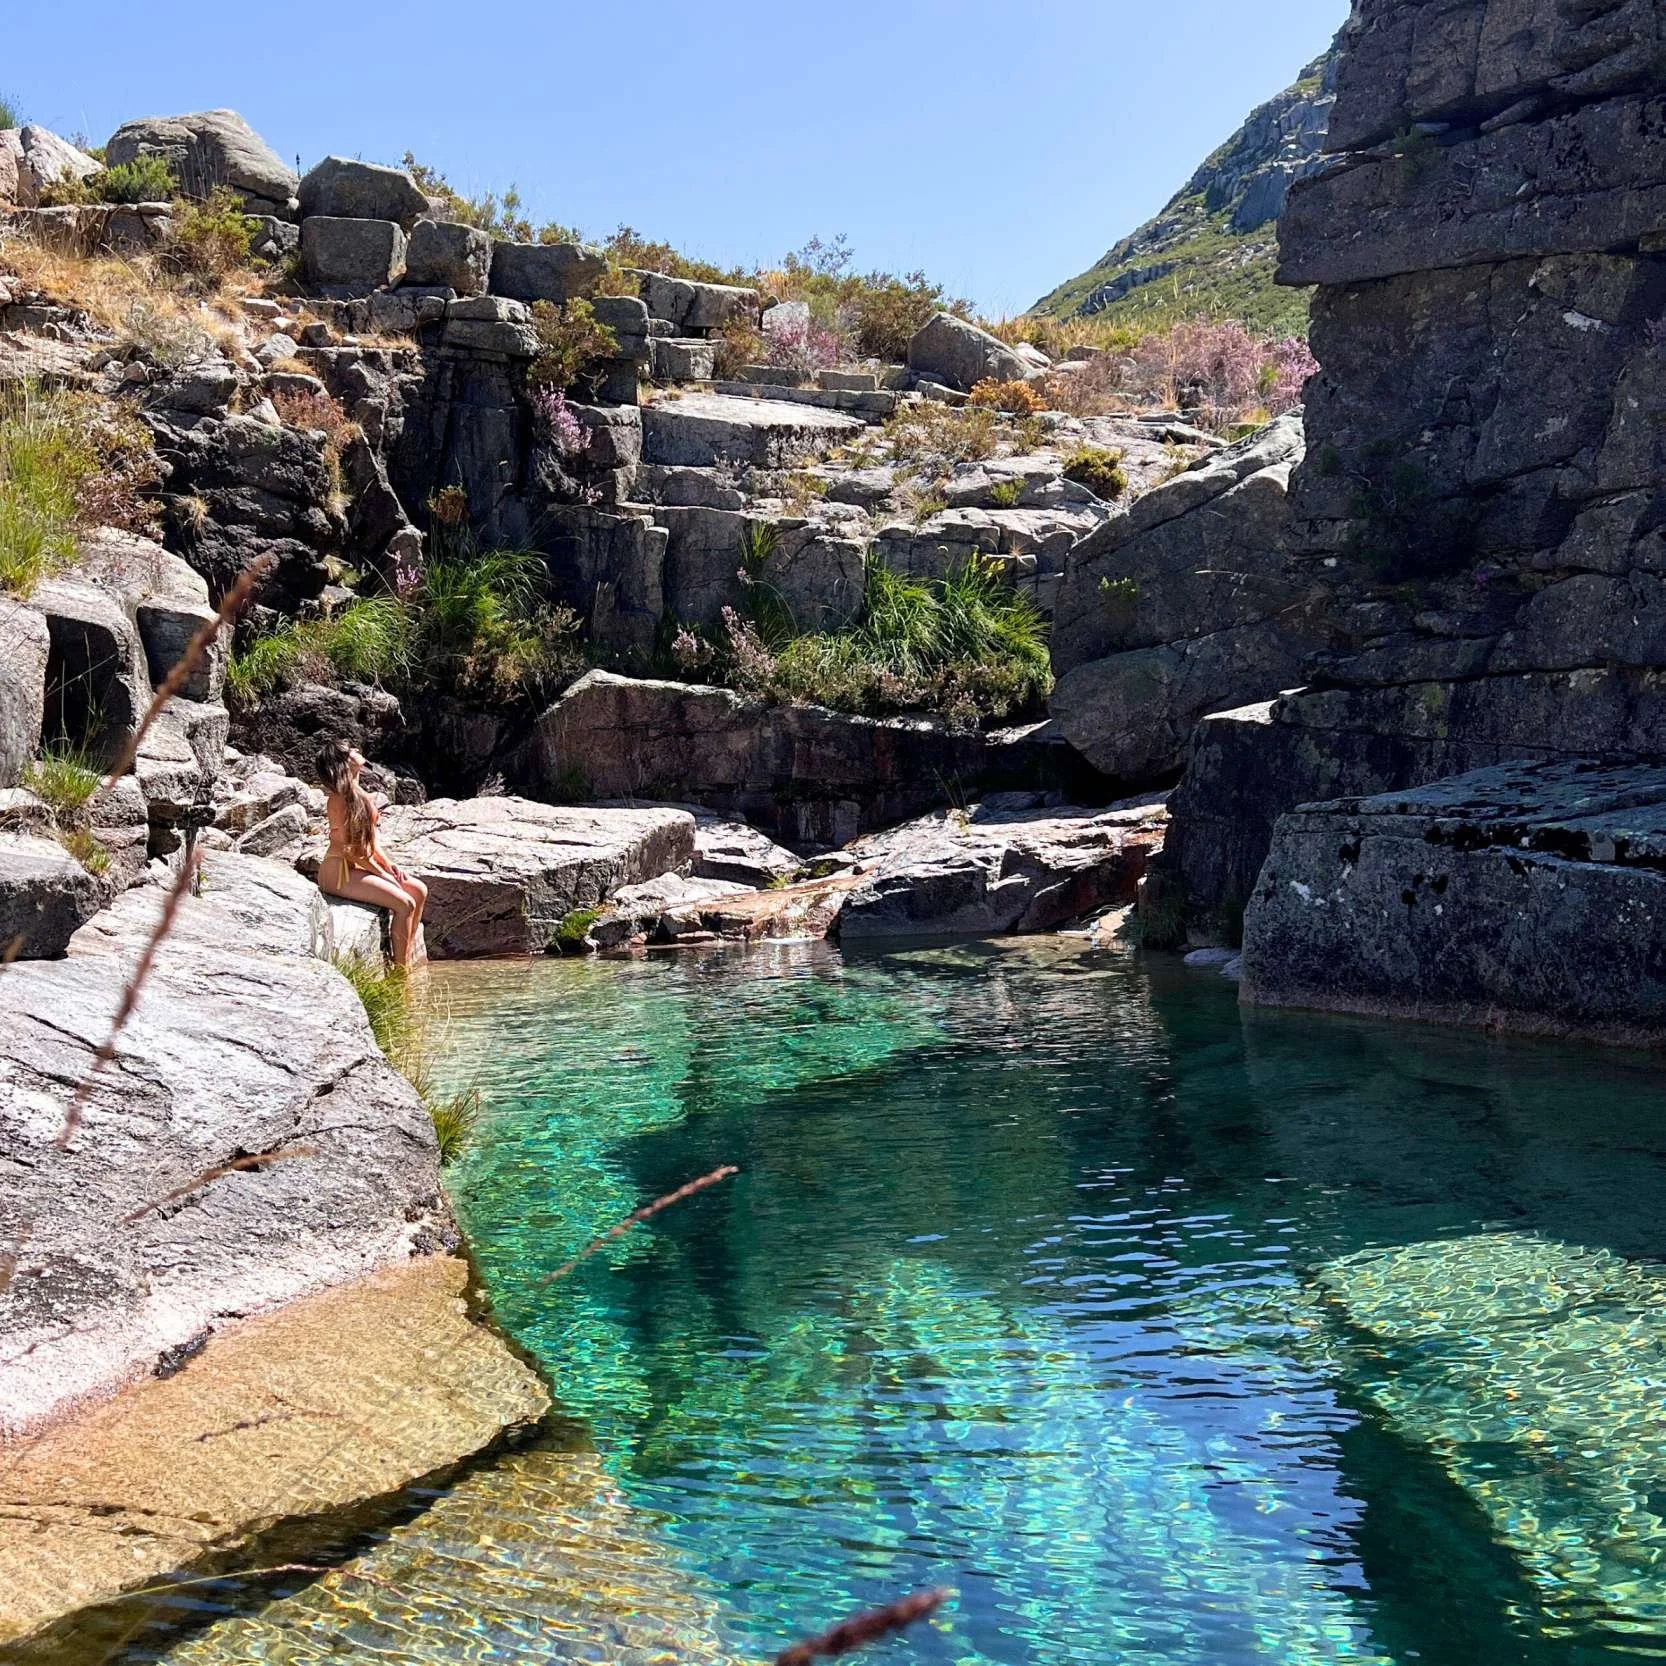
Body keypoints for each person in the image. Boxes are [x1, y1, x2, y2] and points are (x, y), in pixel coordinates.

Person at [314, 739, 428, 967]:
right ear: (343, 763)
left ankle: (406, 956)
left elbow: (371, 839)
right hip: (339, 872)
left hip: (360, 866)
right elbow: (348, 850)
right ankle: (400, 972)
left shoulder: (359, 793)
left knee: (418, 890)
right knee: (404, 903)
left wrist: (388, 865)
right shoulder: (337, 800)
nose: (357, 750)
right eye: (350, 751)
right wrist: (382, 874)